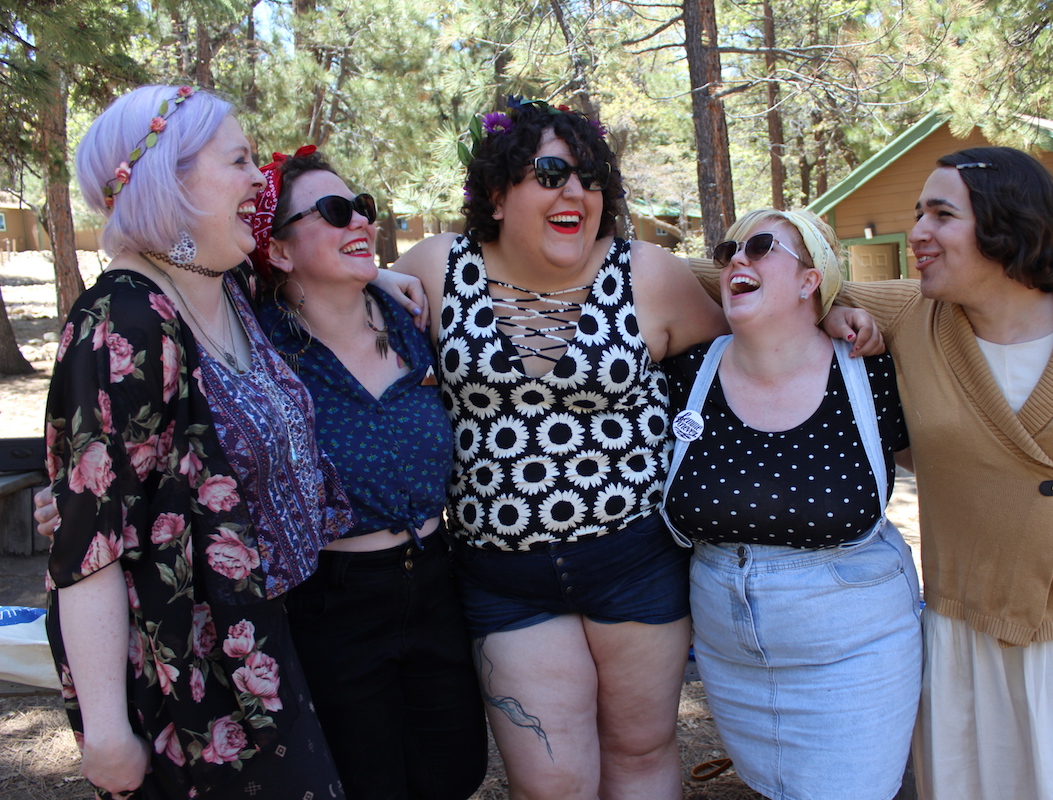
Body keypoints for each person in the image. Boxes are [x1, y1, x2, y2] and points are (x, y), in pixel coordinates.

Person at [391, 97, 727, 800]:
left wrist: (841, 309)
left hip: (636, 563)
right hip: (502, 580)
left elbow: (746, 351)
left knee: (640, 751)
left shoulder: (651, 275)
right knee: (552, 784)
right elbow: (339, 315)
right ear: (495, 191)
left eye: (590, 175)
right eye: (549, 173)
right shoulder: (432, 270)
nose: (575, 191)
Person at [836, 146, 1053, 800]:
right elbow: (763, 279)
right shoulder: (914, 315)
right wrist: (825, 307)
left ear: (1006, 224)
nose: (917, 233)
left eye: (941, 215)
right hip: (973, 627)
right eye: (917, 213)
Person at [44, 85, 354, 799]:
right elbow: (89, 546)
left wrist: (386, 276)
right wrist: (107, 731)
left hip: (271, 634)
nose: (258, 179)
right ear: (169, 180)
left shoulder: (224, 279)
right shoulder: (122, 324)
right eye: (239, 160)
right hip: (193, 678)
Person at [248, 146, 487, 800]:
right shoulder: (257, 344)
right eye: (333, 211)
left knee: (456, 769)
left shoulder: (412, 323)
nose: (359, 219)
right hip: (334, 599)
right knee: (367, 781)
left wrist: (376, 276)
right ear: (279, 250)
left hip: (436, 577)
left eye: (363, 207)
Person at [660, 208, 921, 800]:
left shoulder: (866, 368)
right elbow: (644, 273)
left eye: (759, 246)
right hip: (729, 649)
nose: (736, 262)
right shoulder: (687, 368)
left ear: (812, 280)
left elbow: (945, 304)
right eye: (727, 251)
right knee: (772, 787)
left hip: (855, 644)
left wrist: (842, 304)